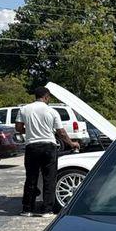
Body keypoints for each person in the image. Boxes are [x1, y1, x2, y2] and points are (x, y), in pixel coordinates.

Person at [16, 86, 79, 217]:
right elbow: (61, 132)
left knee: (31, 178)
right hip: (48, 147)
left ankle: (27, 209)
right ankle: (47, 210)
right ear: (46, 97)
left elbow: (18, 128)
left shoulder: (24, 109)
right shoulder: (52, 111)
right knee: (49, 179)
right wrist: (72, 143)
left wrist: (30, 131)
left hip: (32, 146)